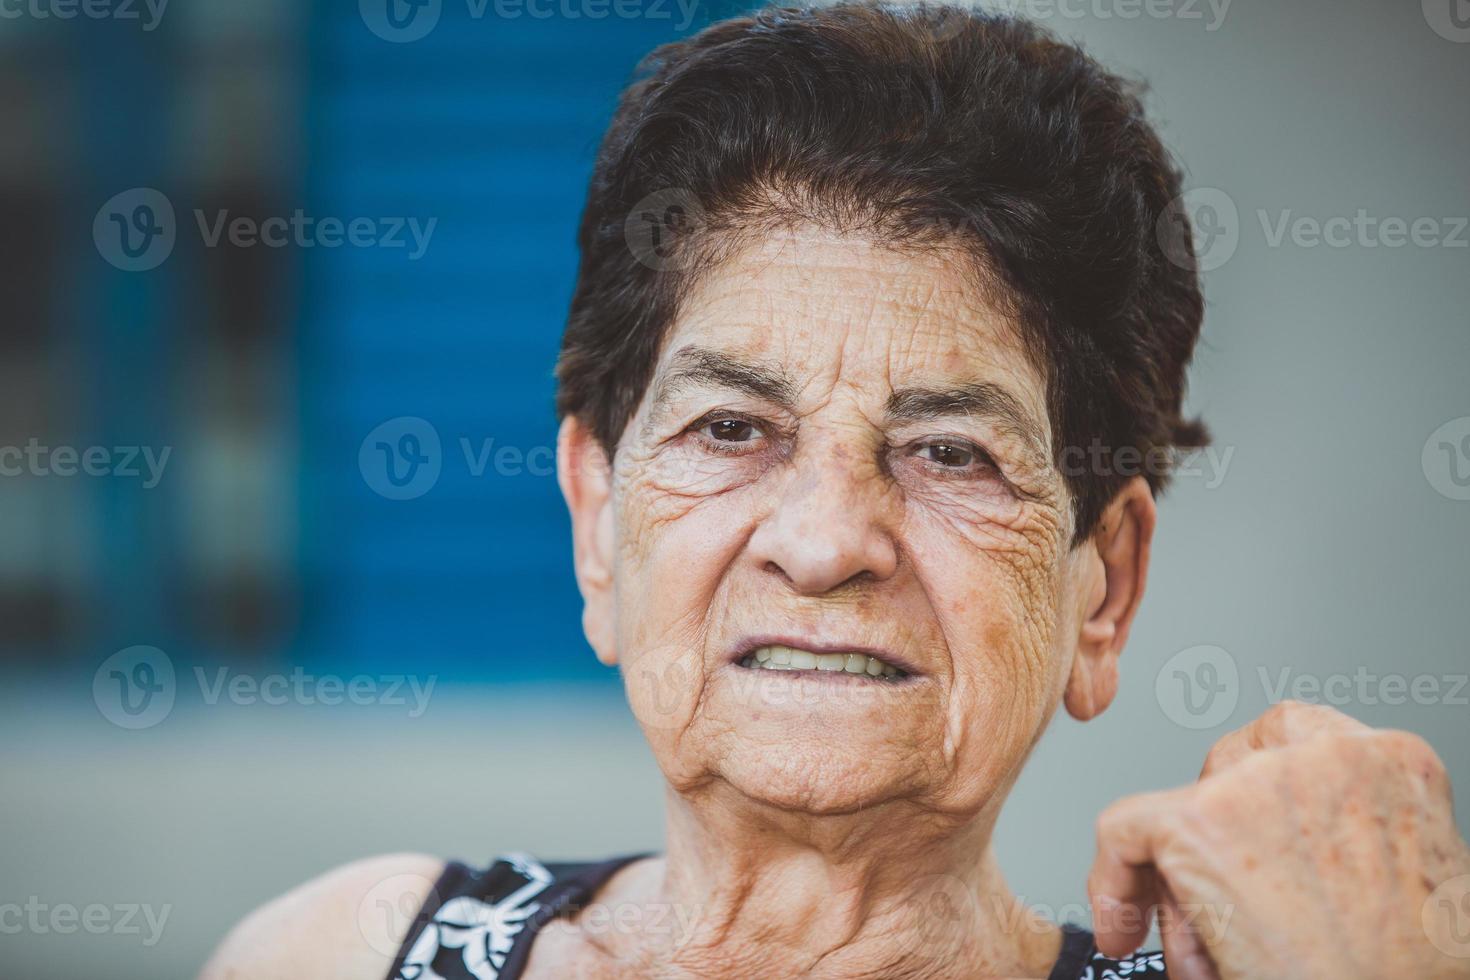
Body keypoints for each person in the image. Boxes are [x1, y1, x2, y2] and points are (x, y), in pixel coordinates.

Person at [202, 4, 1470, 977]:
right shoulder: (349, 949)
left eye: (950, 452)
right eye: (732, 426)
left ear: (1105, 584)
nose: (823, 543)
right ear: (598, 520)